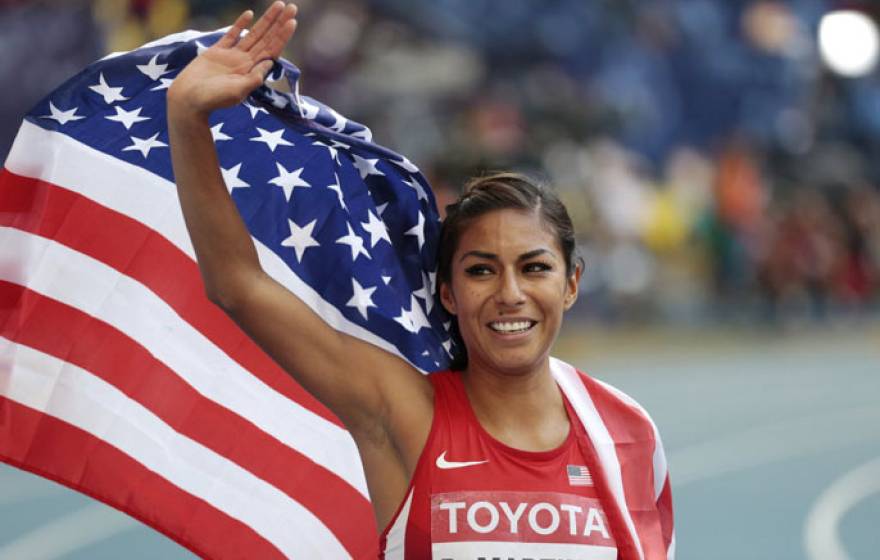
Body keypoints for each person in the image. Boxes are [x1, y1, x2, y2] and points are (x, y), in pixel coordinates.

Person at [167, 2, 673, 558]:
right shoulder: (405, 415)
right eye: (481, 269)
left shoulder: (628, 432)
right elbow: (237, 285)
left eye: (535, 267)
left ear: (571, 284)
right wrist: (188, 121)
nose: (509, 292)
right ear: (450, 293)